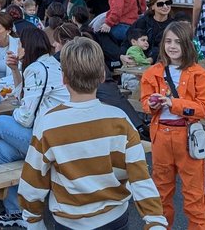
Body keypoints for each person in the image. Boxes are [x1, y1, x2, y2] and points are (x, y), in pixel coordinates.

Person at [19, 37, 168, 230]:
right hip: (114, 219)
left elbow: (33, 182)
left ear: (63, 77)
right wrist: (155, 220)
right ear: (101, 76)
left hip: (69, 221)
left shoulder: (48, 124)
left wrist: (33, 218)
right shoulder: (120, 121)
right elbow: (140, 178)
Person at [0, 27, 70, 227]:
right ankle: (16, 211)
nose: (18, 48)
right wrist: (16, 70)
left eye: (20, 44)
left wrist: (14, 112)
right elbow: (21, 95)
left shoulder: (37, 69)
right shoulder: (50, 64)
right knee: (0, 148)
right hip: (59, 137)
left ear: (28, 45)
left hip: (49, 142)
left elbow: (24, 117)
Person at [140, 21, 205, 230]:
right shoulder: (152, 72)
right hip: (161, 137)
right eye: (168, 41)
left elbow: (204, 108)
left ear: (188, 44)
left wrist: (175, 104)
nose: (172, 46)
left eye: (178, 42)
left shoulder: (199, 74)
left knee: (194, 196)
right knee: (160, 194)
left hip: (187, 137)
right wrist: (152, 104)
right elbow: (145, 103)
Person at [120, 29, 152, 94]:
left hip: (134, 78)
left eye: (147, 40)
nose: (146, 42)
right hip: (129, 79)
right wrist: (149, 64)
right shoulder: (133, 49)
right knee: (144, 88)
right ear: (134, 42)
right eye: (143, 40)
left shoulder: (139, 51)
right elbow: (139, 60)